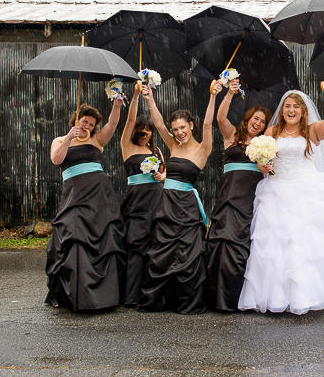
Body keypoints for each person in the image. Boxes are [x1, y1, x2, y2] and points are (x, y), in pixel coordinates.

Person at [238, 79, 324, 315]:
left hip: (304, 192)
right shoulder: (272, 131)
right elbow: (263, 160)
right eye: (287, 106)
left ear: (303, 111)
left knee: (301, 247)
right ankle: (276, 297)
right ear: (282, 109)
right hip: (275, 190)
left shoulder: (312, 131)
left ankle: (302, 297)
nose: (291, 110)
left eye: (296, 106)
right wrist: (262, 166)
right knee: (273, 248)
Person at [137, 80, 220, 314]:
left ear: (191, 125)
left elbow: (208, 122)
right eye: (175, 129)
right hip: (167, 204)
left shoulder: (203, 148)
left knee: (189, 254)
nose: (178, 132)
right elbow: (159, 124)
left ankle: (187, 300)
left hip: (188, 206)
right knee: (161, 251)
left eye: (182, 127)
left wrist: (213, 96)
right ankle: (161, 299)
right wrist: (149, 98)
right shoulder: (172, 144)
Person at [45, 99, 126, 311]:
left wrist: (117, 106)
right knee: (71, 236)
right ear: (76, 120)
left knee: (106, 238)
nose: (87, 126)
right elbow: (56, 160)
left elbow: (112, 125)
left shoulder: (97, 140)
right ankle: (69, 293)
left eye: (91, 124)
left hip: (99, 194)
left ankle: (106, 294)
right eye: (84, 121)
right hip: (74, 195)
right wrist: (69, 138)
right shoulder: (60, 139)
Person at [206, 78, 272, 311]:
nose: (259, 123)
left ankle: (238, 296)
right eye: (256, 118)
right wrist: (229, 94)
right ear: (248, 118)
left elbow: (270, 170)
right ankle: (218, 296)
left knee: (244, 243)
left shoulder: (265, 145)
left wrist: (264, 167)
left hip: (250, 199)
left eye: (263, 122)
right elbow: (220, 118)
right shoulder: (232, 135)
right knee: (223, 241)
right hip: (228, 195)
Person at [119, 84, 165, 307]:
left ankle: (151, 294)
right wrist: (136, 95)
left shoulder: (156, 151)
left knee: (154, 245)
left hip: (156, 200)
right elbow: (128, 121)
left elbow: (166, 172)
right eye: (141, 129)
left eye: (148, 130)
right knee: (136, 246)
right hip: (136, 202)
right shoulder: (127, 145)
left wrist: (161, 177)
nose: (144, 133)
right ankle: (131, 295)